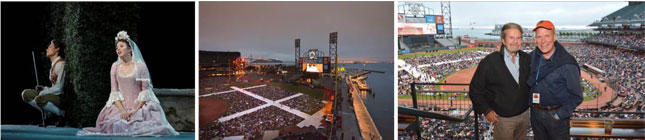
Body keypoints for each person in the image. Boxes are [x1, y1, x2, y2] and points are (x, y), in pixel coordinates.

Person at [77, 31, 178, 136]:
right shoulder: (115, 67)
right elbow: (114, 91)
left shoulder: (140, 66)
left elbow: (145, 91)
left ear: (129, 49)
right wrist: (123, 111)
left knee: (142, 126)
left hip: (139, 105)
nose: (118, 49)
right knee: (117, 124)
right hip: (121, 105)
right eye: (117, 48)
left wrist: (134, 111)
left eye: (121, 46)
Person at [469, 23, 531, 140]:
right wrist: (486, 110)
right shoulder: (489, 62)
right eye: (511, 38)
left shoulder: (527, 59)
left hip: (524, 115)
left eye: (518, 38)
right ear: (503, 40)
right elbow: (475, 89)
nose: (515, 41)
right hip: (504, 119)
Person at [527, 20, 583, 140]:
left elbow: (577, 95)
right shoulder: (531, 57)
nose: (543, 41)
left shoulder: (568, 62)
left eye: (547, 36)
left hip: (557, 116)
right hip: (536, 114)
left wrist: (559, 115)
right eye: (539, 37)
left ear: (554, 37)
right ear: (535, 39)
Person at [21, 39, 66, 127]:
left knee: (39, 99)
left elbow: (59, 88)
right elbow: (54, 86)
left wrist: (43, 92)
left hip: (59, 96)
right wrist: (44, 88)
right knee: (26, 94)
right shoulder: (53, 64)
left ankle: (61, 114)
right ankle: (49, 114)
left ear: (57, 49)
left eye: (50, 47)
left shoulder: (61, 64)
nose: (47, 49)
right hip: (52, 94)